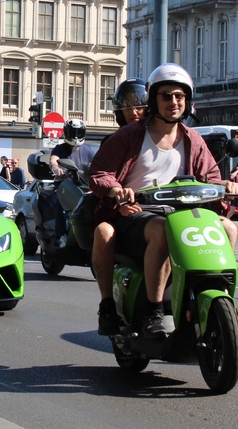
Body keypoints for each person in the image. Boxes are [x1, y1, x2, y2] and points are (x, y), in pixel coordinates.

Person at [89, 63, 238, 339]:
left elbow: (212, 178)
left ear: (188, 101)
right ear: (153, 100)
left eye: (179, 97)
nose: (174, 102)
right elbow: (99, 173)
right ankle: (153, 311)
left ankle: (222, 296)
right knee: (161, 229)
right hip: (136, 213)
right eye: (166, 96)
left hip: (185, 213)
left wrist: (226, 186)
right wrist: (117, 191)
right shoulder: (130, 135)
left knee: (229, 228)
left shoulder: (193, 139)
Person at [92, 78, 148, 335]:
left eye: (141, 105)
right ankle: (107, 305)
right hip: (123, 211)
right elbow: (101, 176)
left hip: (164, 211)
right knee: (104, 232)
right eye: (128, 106)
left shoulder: (178, 135)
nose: (135, 111)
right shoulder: (114, 140)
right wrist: (118, 198)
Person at [50, 119, 95, 247]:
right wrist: (56, 168)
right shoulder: (59, 149)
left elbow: (97, 164)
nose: (75, 135)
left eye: (78, 132)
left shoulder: (88, 151)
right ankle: (61, 235)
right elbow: (53, 160)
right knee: (61, 204)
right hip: (63, 185)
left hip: (83, 186)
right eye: (72, 132)